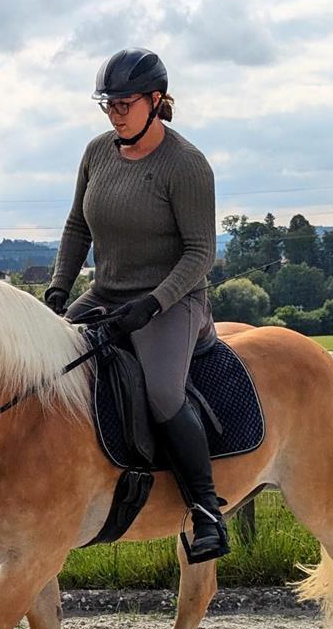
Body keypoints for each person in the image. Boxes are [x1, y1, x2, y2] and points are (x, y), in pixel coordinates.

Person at [44, 47, 230, 562]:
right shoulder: (97, 152)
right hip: (106, 293)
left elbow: (201, 254)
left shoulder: (186, 165)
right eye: (108, 104)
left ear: (156, 100)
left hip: (174, 302)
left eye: (125, 102)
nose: (116, 113)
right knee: (46, 363)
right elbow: (77, 225)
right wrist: (60, 290)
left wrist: (153, 304)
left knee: (163, 393)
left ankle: (206, 510)